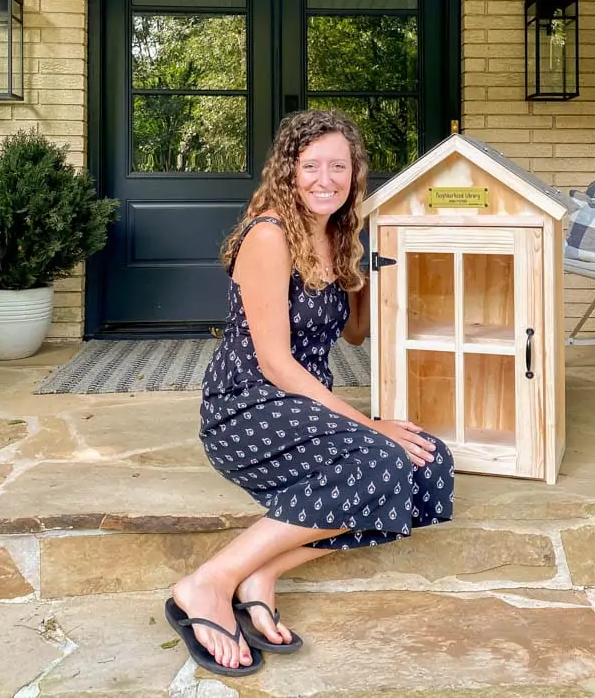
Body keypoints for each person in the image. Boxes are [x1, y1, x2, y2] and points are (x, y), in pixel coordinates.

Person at [166, 109, 454, 676]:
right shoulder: (270, 235)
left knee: (429, 464)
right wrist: (370, 423)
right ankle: (208, 582)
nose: (326, 179)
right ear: (289, 172)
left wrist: (371, 276)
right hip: (247, 408)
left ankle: (264, 571)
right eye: (312, 166)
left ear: (354, 173)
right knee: (381, 457)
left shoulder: (338, 235)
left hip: (305, 408)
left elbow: (354, 332)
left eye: (339, 167)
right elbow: (274, 364)